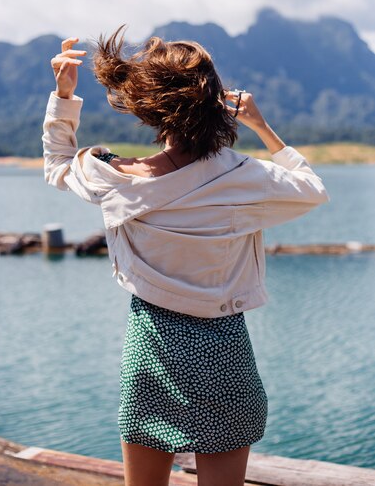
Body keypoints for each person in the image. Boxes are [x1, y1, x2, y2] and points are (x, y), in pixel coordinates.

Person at [43, 28, 329, 486]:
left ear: (151, 107)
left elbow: (57, 163)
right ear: (215, 100)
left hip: (151, 346)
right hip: (224, 349)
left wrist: (63, 96)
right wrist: (261, 125)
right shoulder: (244, 177)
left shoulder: (117, 177)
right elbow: (313, 190)